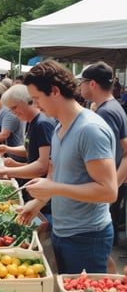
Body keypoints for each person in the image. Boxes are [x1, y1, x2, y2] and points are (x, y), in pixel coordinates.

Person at [18, 60, 118, 274]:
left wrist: (53, 189)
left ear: (54, 91)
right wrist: (39, 202)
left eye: (37, 98)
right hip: (64, 231)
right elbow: (56, 174)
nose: (36, 105)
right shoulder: (59, 127)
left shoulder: (89, 130)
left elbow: (109, 191)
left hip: (87, 235)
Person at [79, 61, 127, 273]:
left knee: (98, 252)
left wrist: (112, 186)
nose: (79, 87)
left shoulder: (105, 113)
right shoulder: (114, 106)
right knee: (102, 253)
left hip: (103, 188)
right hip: (110, 185)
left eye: (82, 83)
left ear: (92, 84)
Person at [0, 84, 56, 221]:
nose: (12, 112)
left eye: (14, 108)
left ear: (25, 102)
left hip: (45, 197)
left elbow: (43, 166)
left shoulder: (42, 124)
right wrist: (7, 149)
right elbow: (30, 148)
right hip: (35, 188)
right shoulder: (33, 122)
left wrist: (7, 170)